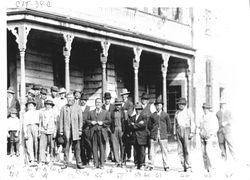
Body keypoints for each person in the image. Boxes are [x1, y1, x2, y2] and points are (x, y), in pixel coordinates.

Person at [59, 93, 84, 169]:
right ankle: (65, 163)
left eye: (71, 98)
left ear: (74, 99)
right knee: (66, 147)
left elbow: (80, 120)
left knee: (77, 147)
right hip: (67, 131)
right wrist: (61, 130)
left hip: (75, 130)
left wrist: (80, 129)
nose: (70, 100)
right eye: (68, 98)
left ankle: (79, 163)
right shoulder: (64, 108)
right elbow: (61, 120)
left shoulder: (78, 107)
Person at [148, 97, 171, 171]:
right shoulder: (152, 115)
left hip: (163, 135)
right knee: (152, 151)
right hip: (154, 135)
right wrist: (151, 133)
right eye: (157, 105)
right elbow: (149, 126)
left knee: (164, 151)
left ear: (162, 106)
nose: (158, 106)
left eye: (160, 105)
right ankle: (151, 165)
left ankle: (166, 166)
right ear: (155, 106)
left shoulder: (165, 115)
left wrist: (166, 134)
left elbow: (169, 126)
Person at [87, 98, 110, 169]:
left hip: (102, 132)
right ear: (95, 103)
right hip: (93, 132)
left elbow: (109, 121)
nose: (98, 104)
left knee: (102, 148)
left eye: (99, 102)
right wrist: (91, 122)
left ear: (102, 103)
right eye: (97, 102)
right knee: (94, 148)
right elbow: (87, 121)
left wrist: (102, 123)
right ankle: (96, 164)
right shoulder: (91, 112)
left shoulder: (106, 112)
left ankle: (102, 164)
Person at [174, 97, 195, 172]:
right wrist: (174, 133)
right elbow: (175, 124)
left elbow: (192, 122)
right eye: (179, 104)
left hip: (186, 130)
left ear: (185, 104)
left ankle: (188, 166)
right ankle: (184, 166)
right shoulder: (177, 112)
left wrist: (192, 132)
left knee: (187, 150)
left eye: (182, 104)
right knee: (180, 150)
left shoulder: (189, 112)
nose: (181, 105)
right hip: (179, 130)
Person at [199, 103, 220, 175]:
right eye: (204, 108)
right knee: (203, 153)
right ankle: (206, 168)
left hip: (210, 137)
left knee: (209, 152)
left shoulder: (212, 117)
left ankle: (212, 168)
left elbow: (216, 127)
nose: (205, 110)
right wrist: (200, 132)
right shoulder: (202, 117)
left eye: (206, 108)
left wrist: (210, 134)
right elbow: (200, 126)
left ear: (209, 109)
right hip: (203, 137)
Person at [128, 102, 148, 170]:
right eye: (136, 109)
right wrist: (136, 124)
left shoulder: (144, 116)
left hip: (142, 137)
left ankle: (142, 164)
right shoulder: (132, 117)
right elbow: (129, 125)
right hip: (134, 137)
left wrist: (134, 124)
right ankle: (136, 163)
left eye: (139, 109)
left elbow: (143, 125)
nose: (138, 110)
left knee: (142, 151)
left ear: (141, 109)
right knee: (135, 151)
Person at [39, 99, 57, 165]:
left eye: (50, 105)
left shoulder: (54, 113)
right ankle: (43, 160)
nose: (48, 106)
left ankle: (52, 160)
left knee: (52, 146)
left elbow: (56, 123)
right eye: (47, 104)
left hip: (51, 131)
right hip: (43, 131)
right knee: (42, 146)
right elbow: (40, 122)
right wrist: (40, 131)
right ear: (45, 105)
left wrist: (55, 132)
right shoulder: (42, 112)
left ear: (52, 106)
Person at [140, 92, 155, 167]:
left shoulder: (151, 107)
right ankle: (142, 162)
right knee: (142, 147)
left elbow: (154, 118)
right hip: (141, 130)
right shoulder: (138, 107)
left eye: (146, 99)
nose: (144, 100)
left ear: (148, 100)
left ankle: (150, 163)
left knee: (150, 147)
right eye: (143, 99)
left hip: (149, 130)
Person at [23, 99, 40, 166]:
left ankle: (36, 158)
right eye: (29, 106)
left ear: (34, 107)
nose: (30, 107)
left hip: (35, 126)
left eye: (31, 105)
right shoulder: (26, 114)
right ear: (27, 107)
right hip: (28, 127)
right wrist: (25, 132)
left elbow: (40, 122)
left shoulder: (37, 113)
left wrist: (39, 131)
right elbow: (24, 123)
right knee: (29, 143)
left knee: (36, 142)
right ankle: (31, 158)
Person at [110, 98, 125, 167]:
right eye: (116, 105)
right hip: (114, 129)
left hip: (121, 129)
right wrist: (110, 129)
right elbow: (109, 121)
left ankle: (122, 161)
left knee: (122, 145)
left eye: (119, 105)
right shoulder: (112, 112)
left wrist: (125, 131)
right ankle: (117, 161)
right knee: (115, 145)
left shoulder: (123, 112)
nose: (118, 106)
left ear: (121, 105)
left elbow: (126, 121)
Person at [120, 88, 134, 162]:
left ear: (127, 95)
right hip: (120, 123)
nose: (123, 96)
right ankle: (122, 156)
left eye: (124, 95)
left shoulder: (130, 103)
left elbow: (130, 113)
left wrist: (125, 113)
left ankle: (129, 155)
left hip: (127, 123)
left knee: (128, 140)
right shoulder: (120, 103)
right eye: (122, 95)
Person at [102, 92, 115, 162]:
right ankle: (105, 157)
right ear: (104, 99)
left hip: (112, 127)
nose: (107, 100)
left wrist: (112, 127)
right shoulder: (102, 107)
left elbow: (114, 117)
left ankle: (113, 156)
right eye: (106, 99)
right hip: (104, 127)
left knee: (112, 142)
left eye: (109, 99)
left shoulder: (113, 107)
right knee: (105, 142)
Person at [79, 93, 92, 165]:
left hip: (87, 129)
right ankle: (83, 160)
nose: (83, 101)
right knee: (81, 145)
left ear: (86, 101)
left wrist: (88, 124)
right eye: (82, 100)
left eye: (84, 100)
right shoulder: (78, 108)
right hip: (80, 129)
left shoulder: (89, 108)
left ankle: (89, 158)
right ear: (80, 100)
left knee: (89, 145)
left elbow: (91, 118)